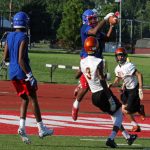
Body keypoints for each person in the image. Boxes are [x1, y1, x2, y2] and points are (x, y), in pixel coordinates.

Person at [2, 11, 54, 144]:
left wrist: (12, 62)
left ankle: (22, 127)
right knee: (33, 99)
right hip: (22, 72)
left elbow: (5, 57)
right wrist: (30, 75)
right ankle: (41, 128)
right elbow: (20, 60)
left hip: (12, 73)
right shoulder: (24, 37)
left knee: (24, 99)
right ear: (25, 23)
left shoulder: (8, 36)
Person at [80, 36, 137, 148]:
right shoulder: (98, 61)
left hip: (94, 96)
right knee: (119, 113)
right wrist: (109, 97)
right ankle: (111, 138)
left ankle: (128, 137)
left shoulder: (82, 62)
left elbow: (80, 75)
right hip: (102, 93)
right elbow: (101, 80)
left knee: (114, 114)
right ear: (95, 47)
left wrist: (80, 85)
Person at [72, 9, 116, 121]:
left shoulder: (97, 30)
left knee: (97, 85)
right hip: (87, 58)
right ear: (85, 20)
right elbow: (94, 32)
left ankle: (80, 82)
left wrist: (111, 26)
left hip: (97, 60)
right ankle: (76, 104)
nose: (93, 20)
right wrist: (105, 19)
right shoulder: (85, 29)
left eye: (94, 18)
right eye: (91, 19)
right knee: (88, 85)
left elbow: (106, 38)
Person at [110, 47, 145, 132]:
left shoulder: (129, 65)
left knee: (126, 110)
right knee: (123, 109)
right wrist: (112, 84)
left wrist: (140, 88)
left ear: (125, 56)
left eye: (122, 56)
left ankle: (138, 109)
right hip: (127, 90)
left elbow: (139, 75)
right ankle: (135, 124)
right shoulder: (117, 68)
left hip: (134, 89)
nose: (120, 57)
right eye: (118, 56)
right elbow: (117, 81)